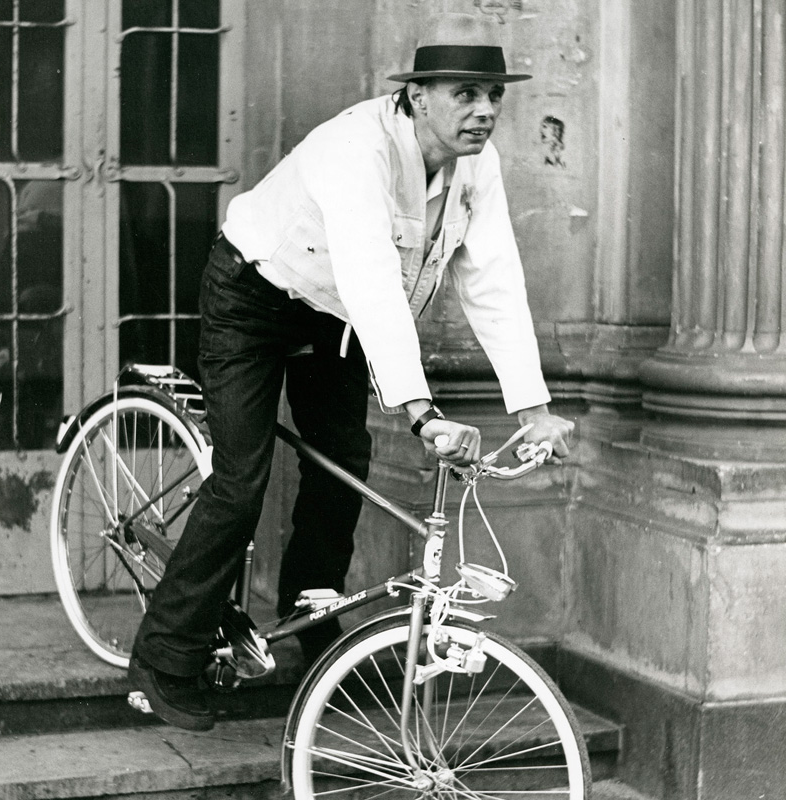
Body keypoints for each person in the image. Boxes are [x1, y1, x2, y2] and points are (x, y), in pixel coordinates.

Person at [128, 12, 575, 731]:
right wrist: (423, 412)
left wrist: (532, 408)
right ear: (418, 96)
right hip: (255, 294)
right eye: (466, 93)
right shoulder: (354, 147)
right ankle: (162, 658)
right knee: (241, 481)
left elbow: (492, 279)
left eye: (494, 93)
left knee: (343, 465)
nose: (485, 110)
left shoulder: (475, 167)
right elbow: (371, 277)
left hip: (333, 319)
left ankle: (310, 635)